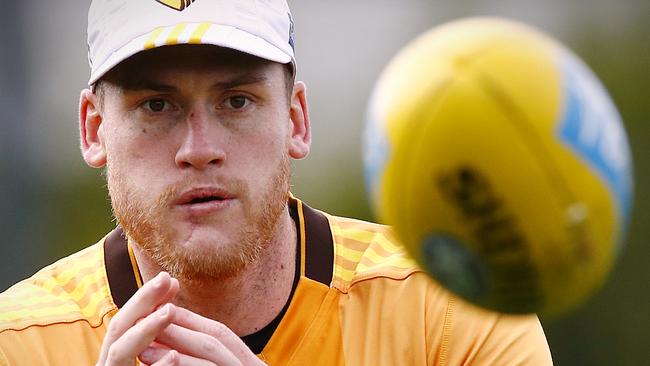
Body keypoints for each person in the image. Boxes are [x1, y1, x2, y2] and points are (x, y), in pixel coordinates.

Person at [0, 0, 553, 365]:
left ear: (295, 119)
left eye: (236, 101)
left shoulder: (450, 309)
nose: (200, 149)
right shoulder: (19, 345)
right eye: (157, 105)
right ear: (94, 130)